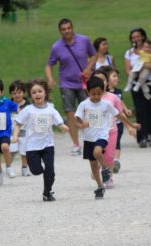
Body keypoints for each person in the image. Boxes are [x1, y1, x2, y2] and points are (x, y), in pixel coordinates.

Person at [45, 18, 97, 156]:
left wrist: (88, 69)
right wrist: (50, 79)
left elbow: (94, 55)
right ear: (60, 31)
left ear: (72, 28)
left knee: (89, 111)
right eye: (63, 29)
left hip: (84, 82)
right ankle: (76, 144)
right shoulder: (56, 47)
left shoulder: (84, 40)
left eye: (68, 28)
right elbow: (49, 65)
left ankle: (92, 140)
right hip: (66, 83)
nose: (67, 31)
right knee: (70, 113)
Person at [75, 76, 133, 199]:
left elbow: (120, 115)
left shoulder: (106, 104)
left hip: (102, 135)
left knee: (97, 152)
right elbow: (77, 122)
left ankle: (105, 168)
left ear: (103, 91)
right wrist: (81, 125)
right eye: (93, 94)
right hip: (88, 138)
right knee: (93, 166)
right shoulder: (83, 105)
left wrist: (131, 125)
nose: (96, 96)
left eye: (99, 94)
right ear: (88, 92)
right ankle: (100, 186)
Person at [12, 79, 69, 202]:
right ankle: (42, 172)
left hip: (48, 144)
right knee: (37, 170)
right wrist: (15, 136)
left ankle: (47, 192)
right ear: (31, 95)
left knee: (50, 169)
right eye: (34, 92)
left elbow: (59, 123)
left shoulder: (51, 109)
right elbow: (17, 124)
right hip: (32, 146)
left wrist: (64, 127)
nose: (37, 94)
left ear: (45, 93)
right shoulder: (28, 110)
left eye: (40, 91)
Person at [92, 68, 139, 188]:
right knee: (97, 153)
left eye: (102, 80)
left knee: (109, 156)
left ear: (107, 82)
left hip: (111, 131)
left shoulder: (113, 97)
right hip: (95, 132)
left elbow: (120, 113)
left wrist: (129, 126)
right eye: (96, 80)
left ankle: (109, 177)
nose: (99, 82)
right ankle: (97, 166)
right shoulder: (90, 99)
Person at [124, 28, 151, 148]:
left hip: (150, 83)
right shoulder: (129, 53)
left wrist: (142, 65)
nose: (136, 39)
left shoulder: (150, 50)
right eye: (133, 37)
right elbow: (128, 70)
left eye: (138, 36)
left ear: (143, 37)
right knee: (140, 110)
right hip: (136, 84)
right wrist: (136, 73)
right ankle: (142, 136)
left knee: (150, 109)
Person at [100, 66, 132, 174]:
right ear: (106, 79)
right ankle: (105, 162)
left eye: (117, 76)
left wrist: (126, 110)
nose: (116, 78)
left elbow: (120, 103)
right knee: (104, 145)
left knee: (116, 142)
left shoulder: (118, 92)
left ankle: (115, 160)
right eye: (114, 76)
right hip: (105, 125)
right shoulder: (102, 95)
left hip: (118, 123)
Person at [9, 80, 31, 176]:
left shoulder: (28, 105)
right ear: (11, 94)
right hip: (12, 131)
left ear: (24, 92)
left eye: (19, 92)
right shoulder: (9, 105)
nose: (17, 95)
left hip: (24, 131)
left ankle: (24, 168)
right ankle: (8, 166)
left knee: (24, 151)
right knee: (12, 150)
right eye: (14, 93)